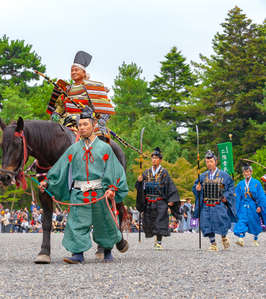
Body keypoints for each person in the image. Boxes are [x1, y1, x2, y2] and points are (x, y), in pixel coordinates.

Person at [39, 107, 129, 264]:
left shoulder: (105, 148)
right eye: (79, 125)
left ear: (93, 125)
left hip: (100, 192)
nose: (81, 128)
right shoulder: (73, 149)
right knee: (76, 223)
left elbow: (114, 170)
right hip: (79, 193)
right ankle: (77, 254)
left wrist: (111, 188)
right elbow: (61, 167)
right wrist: (48, 181)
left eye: (85, 124)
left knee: (105, 222)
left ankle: (107, 251)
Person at [46, 51, 114, 137]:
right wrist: (55, 115)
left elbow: (104, 109)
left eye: (76, 70)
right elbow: (60, 107)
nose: (73, 72)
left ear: (84, 73)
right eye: (72, 71)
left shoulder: (92, 88)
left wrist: (100, 120)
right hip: (66, 122)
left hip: (86, 122)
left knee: (100, 135)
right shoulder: (67, 90)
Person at [135, 147, 181, 249]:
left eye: (156, 158)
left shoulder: (164, 172)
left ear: (160, 160)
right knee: (149, 222)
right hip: (149, 202)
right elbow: (139, 188)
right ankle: (155, 239)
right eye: (152, 158)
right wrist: (139, 181)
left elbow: (170, 186)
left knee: (160, 221)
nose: (154, 160)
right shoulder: (146, 172)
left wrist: (172, 200)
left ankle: (159, 242)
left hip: (160, 202)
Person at [192, 150, 236, 251]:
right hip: (206, 204)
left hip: (218, 204)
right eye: (207, 162)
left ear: (215, 162)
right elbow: (195, 187)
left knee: (222, 221)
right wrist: (197, 188)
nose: (209, 164)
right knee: (206, 223)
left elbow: (231, 188)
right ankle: (213, 243)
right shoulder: (202, 176)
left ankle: (224, 237)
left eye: (211, 161)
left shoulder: (224, 175)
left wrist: (226, 196)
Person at [233, 164, 266, 247]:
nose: (246, 173)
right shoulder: (240, 184)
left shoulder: (256, 183)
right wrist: (235, 208)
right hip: (243, 206)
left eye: (248, 171)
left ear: (251, 172)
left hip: (253, 206)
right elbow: (237, 197)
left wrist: (260, 206)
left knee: (254, 223)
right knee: (241, 221)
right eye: (245, 172)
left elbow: (261, 196)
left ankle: (255, 239)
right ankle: (241, 238)